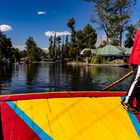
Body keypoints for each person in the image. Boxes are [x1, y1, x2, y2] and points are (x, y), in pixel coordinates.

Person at [121, 29, 140, 114]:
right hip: (138, 59)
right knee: (136, 81)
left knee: (138, 82)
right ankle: (127, 102)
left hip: (135, 58)